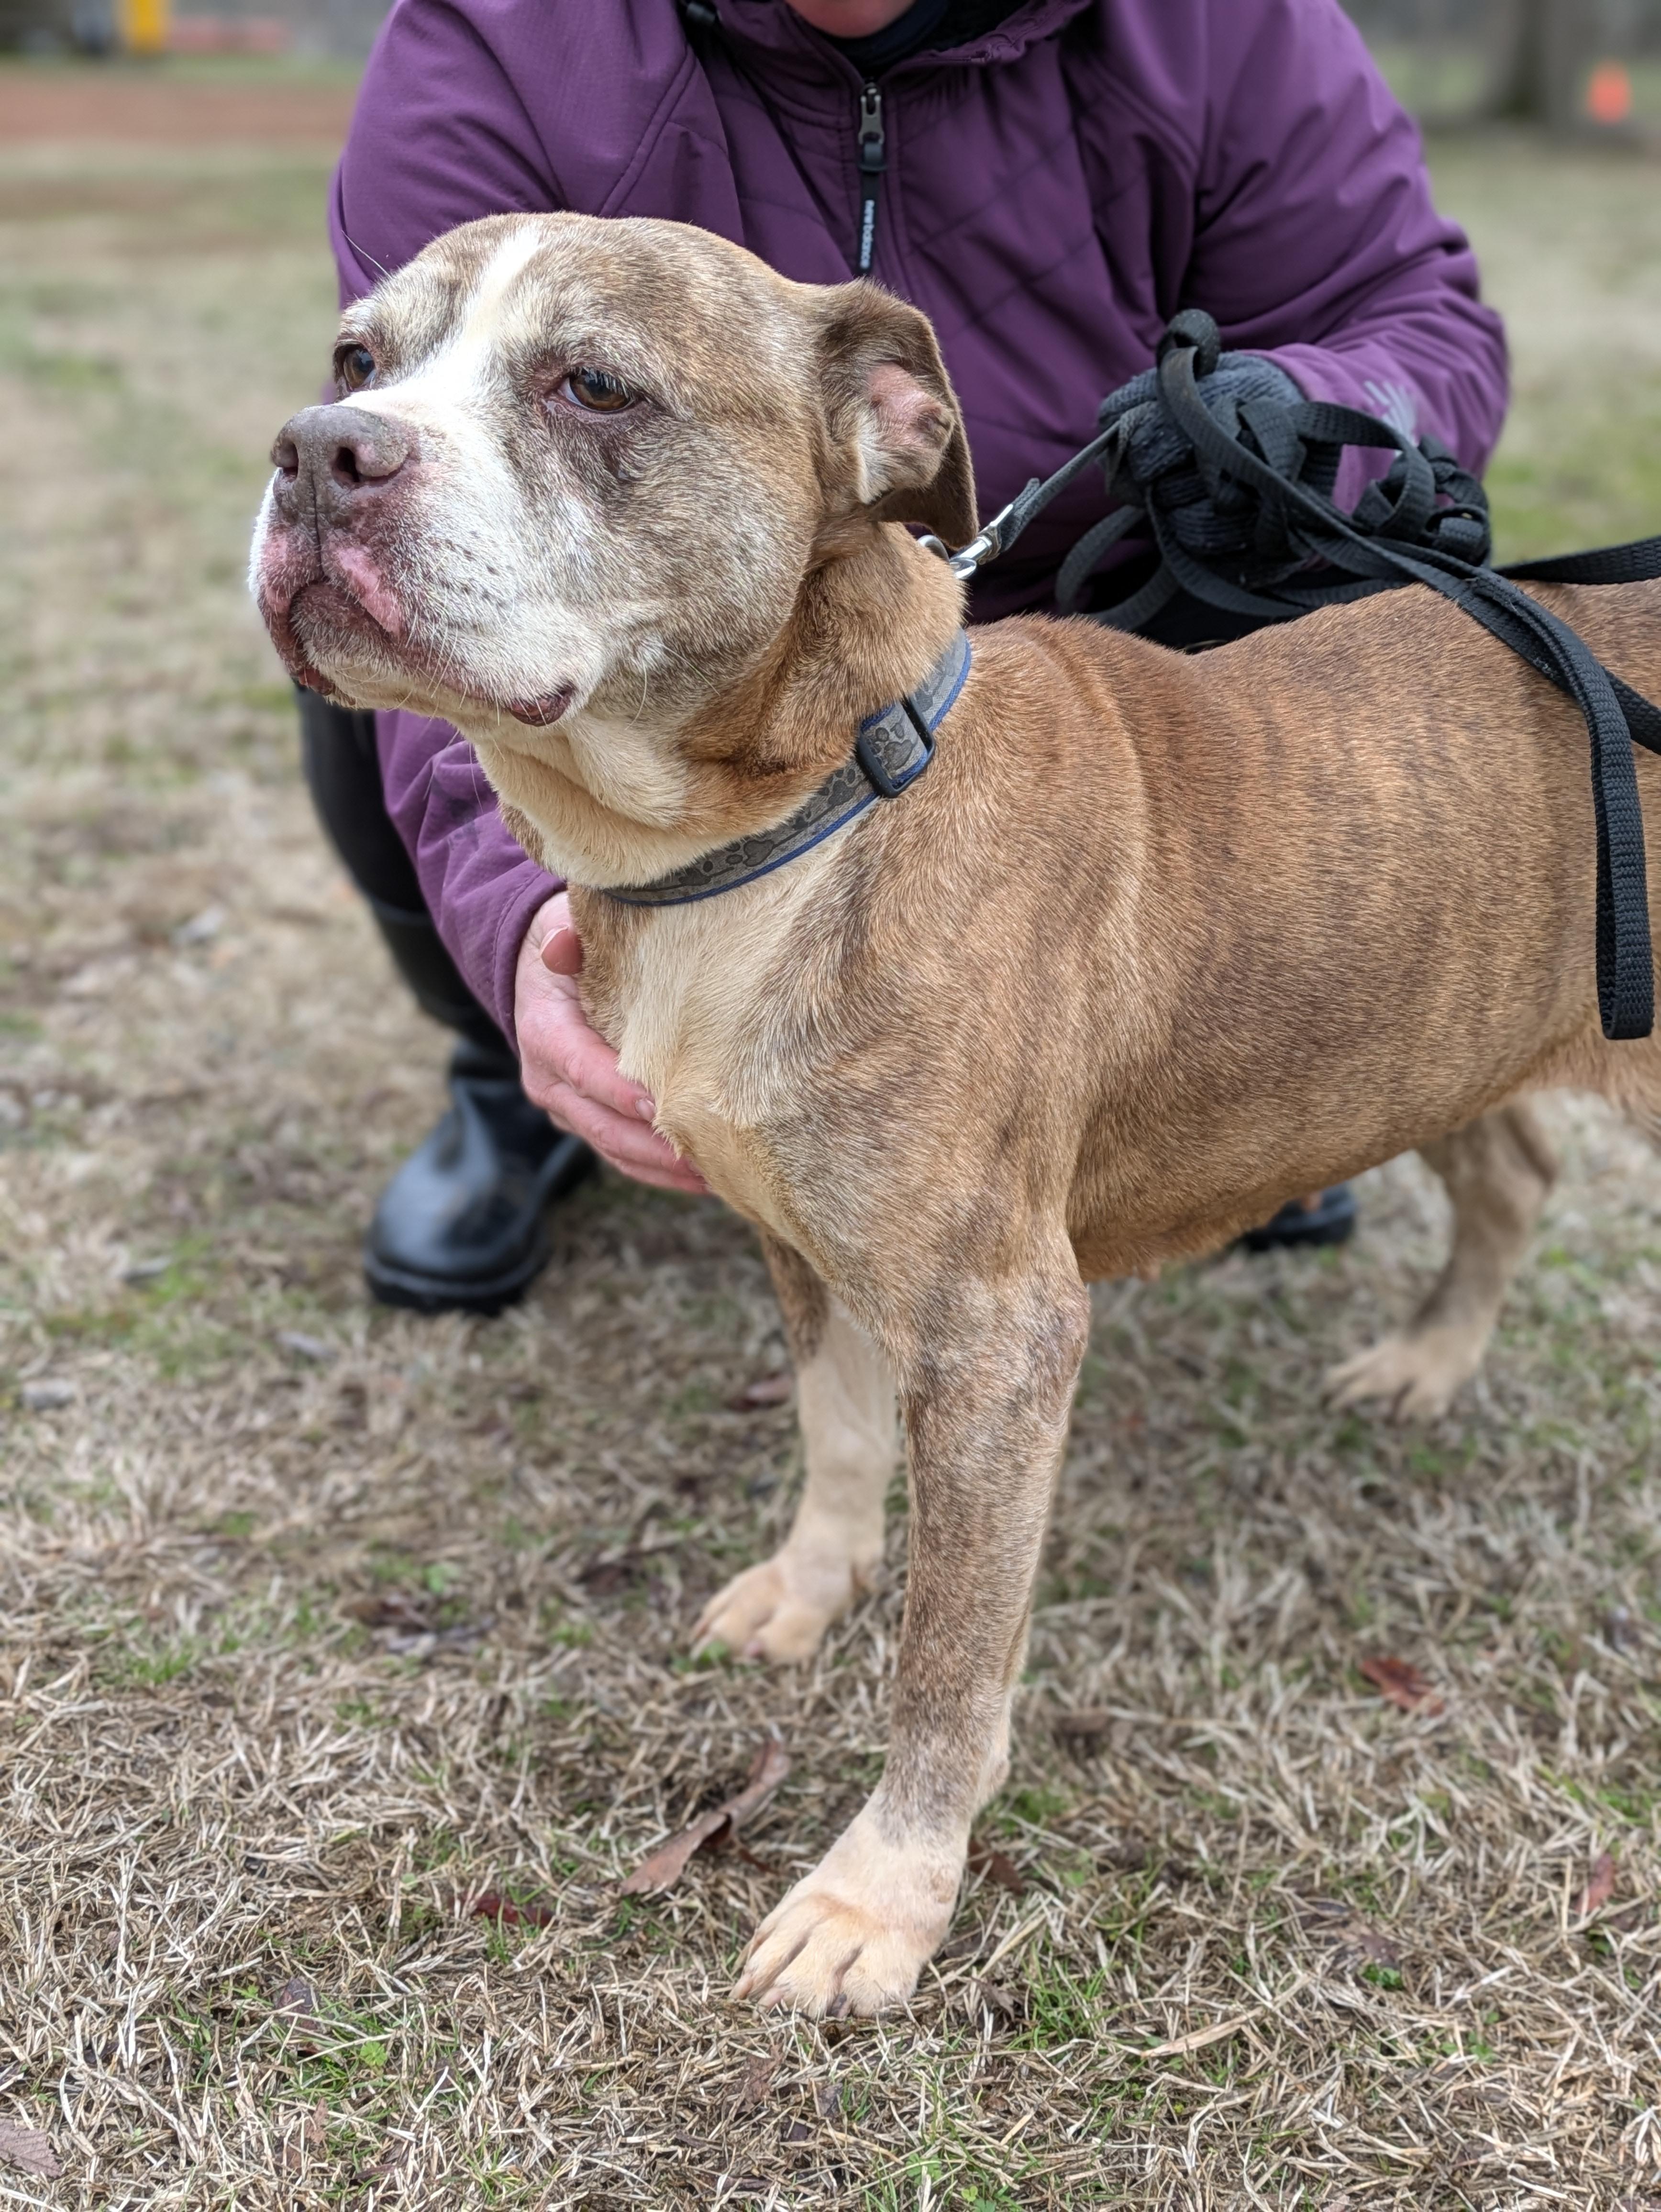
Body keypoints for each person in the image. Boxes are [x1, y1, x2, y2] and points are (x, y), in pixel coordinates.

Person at [299, 0, 1507, 1311]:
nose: (341, 417)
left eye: (587, 383)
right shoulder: (502, 34)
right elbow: (423, 436)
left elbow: (1415, 321)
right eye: (353, 364)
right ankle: (528, 1054)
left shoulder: (1221, 23)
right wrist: (518, 926)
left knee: (1332, 593)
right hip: (684, 649)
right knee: (395, 590)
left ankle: (1229, 1072)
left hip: (1138, 602)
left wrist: (1307, 429)